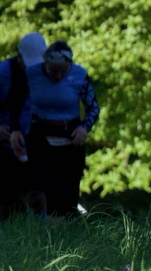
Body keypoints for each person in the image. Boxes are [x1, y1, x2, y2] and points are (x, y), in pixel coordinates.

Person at [8, 40, 100, 218]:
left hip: (70, 137)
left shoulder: (79, 75)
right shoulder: (31, 74)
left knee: (67, 192)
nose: (57, 76)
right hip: (40, 135)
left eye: (62, 71)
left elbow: (93, 108)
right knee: (39, 187)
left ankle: (67, 224)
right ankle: (40, 222)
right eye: (53, 71)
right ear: (45, 65)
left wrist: (84, 128)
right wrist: (15, 130)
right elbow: (16, 102)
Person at [0, 32, 45, 219]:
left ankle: (40, 226)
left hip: (30, 146)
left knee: (37, 192)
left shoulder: (43, 75)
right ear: (20, 57)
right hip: (4, 148)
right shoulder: (3, 74)